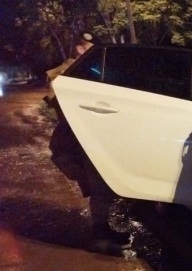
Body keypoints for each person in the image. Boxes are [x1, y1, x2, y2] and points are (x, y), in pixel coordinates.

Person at [45, 33, 131, 254]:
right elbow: (61, 104)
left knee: (102, 186)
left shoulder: (86, 70)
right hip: (78, 139)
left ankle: (102, 230)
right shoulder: (66, 74)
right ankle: (99, 236)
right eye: (90, 48)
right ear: (80, 49)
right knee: (99, 186)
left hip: (90, 136)